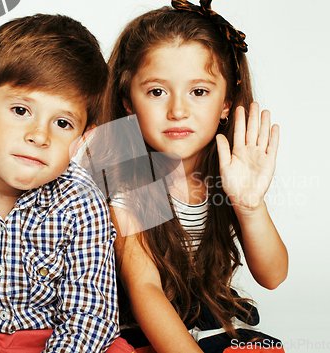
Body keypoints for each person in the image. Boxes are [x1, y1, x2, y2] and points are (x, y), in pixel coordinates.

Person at [86, 1, 288, 352]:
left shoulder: (227, 171)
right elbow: (146, 290)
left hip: (203, 312)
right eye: (156, 92)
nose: (178, 110)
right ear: (127, 101)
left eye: (198, 92)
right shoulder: (127, 174)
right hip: (142, 322)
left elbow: (272, 276)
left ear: (225, 103)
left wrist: (250, 206)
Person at [0, 14, 124, 353]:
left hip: (55, 344)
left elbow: (90, 316)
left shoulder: (81, 202)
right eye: (21, 110)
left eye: (63, 122)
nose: (39, 136)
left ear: (83, 138)